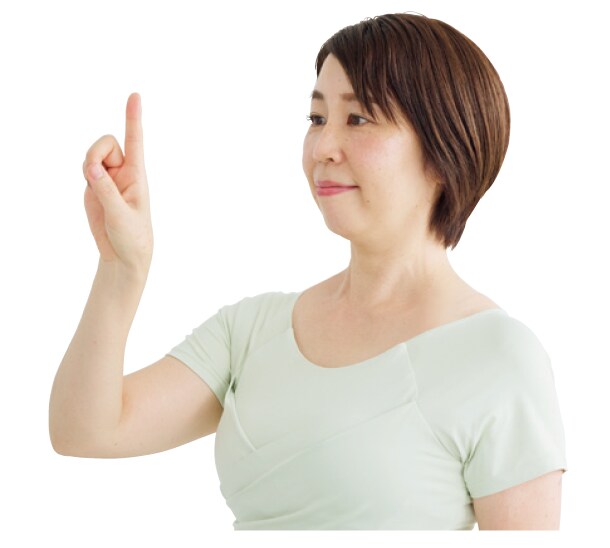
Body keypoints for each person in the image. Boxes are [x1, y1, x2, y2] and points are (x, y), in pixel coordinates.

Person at [49, 12, 567, 530]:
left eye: (357, 119)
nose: (322, 148)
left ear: (444, 148)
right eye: (317, 118)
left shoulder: (498, 357)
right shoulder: (253, 330)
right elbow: (84, 430)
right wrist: (122, 268)